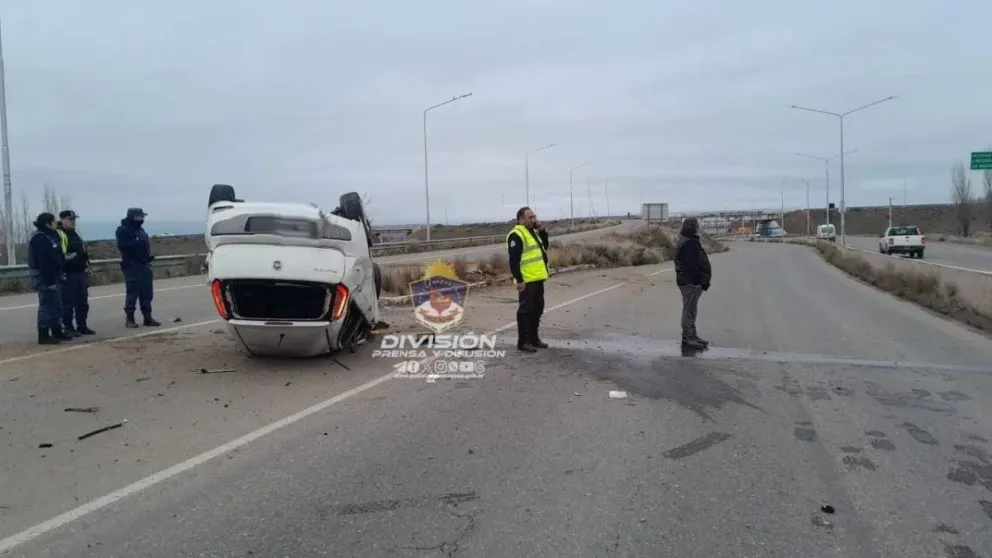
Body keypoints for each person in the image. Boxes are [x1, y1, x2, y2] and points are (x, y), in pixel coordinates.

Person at [506, 206, 550, 353]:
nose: (533, 220)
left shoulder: (533, 232)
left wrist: (542, 230)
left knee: (537, 309)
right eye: (530, 218)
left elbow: (545, 246)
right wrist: (519, 280)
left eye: (534, 217)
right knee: (525, 311)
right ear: (521, 219)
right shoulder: (517, 234)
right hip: (526, 280)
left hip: (538, 278)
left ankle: (533, 338)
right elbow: (514, 260)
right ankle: (523, 342)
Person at [27, 212, 71, 344]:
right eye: (54, 221)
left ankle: (56, 330)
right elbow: (44, 262)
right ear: (47, 223)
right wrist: (49, 281)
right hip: (44, 276)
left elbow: (55, 256)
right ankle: (43, 334)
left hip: (54, 274)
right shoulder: (39, 238)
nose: (56, 223)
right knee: (46, 305)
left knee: (56, 304)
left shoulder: (51, 236)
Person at [115, 207, 161, 328]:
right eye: (139, 217)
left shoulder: (140, 230)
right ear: (133, 217)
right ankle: (129, 319)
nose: (142, 219)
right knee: (132, 292)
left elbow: (144, 244)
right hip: (132, 265)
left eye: (142, 217)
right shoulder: (123, 230)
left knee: (147, 292)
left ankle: (147, 317)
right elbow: (123, 246)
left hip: (144, 264)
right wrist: (137, 243)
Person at [673, 217, 712, 349]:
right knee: (689, 309)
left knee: (691, 310)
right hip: (689, 282)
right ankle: (687, 337)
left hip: (689, 281)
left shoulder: (688, 240)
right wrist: (698, 281)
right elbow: (691, 265)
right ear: (693, 227)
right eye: (697, 225)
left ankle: (692, 335)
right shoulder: (688, 243)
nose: (698, 227)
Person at [57, 210, 95, 336]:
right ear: (62, 219)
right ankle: (68, 327)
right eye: (70, 219)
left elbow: (83, 252)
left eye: (74, 219)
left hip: (80, 273)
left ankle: (82, 326)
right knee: (68, 302)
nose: (73, 221)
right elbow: (60, 255)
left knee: (82, 302)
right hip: (69, 273)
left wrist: (87, 267)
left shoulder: (75, 234)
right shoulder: (61, 234)